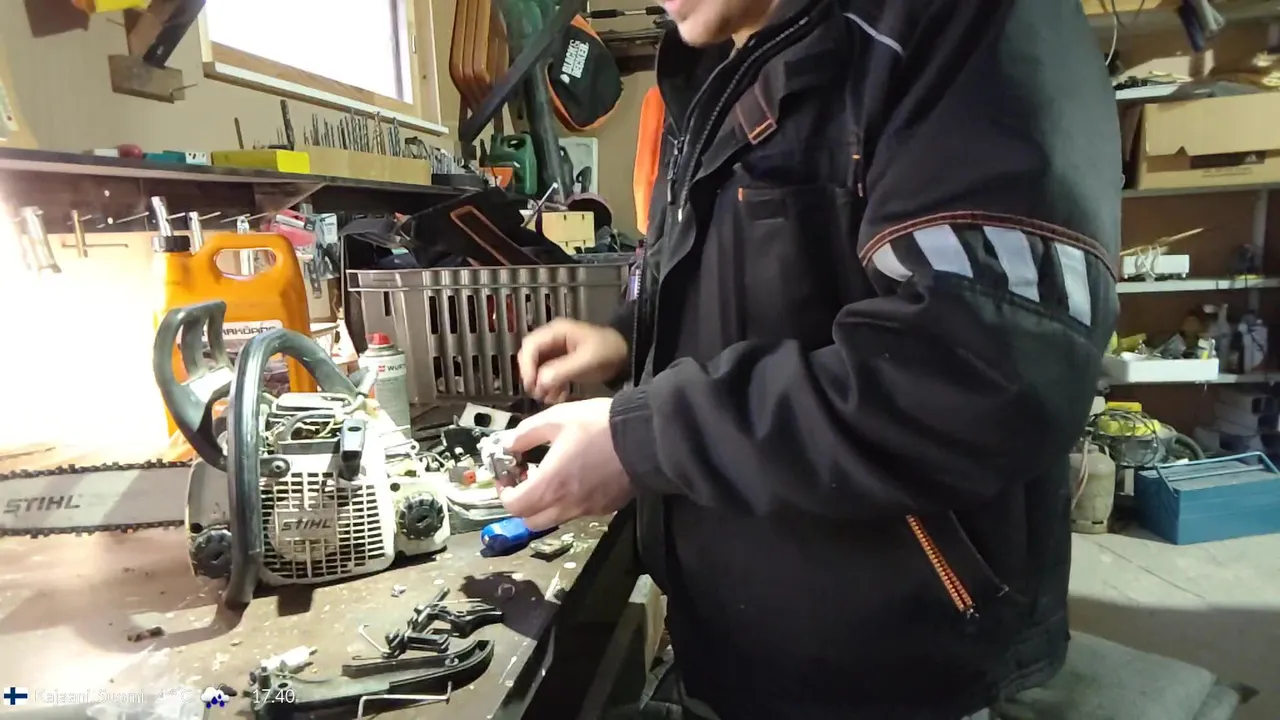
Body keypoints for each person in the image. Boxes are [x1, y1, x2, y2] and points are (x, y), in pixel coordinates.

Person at [498, 0, 1121, 717]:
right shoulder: (717, 57)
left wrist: (643, 438)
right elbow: (757, 277)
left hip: (892, 663)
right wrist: (629, 339)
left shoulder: (959, 21)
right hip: (746, 629)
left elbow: (974, 378)